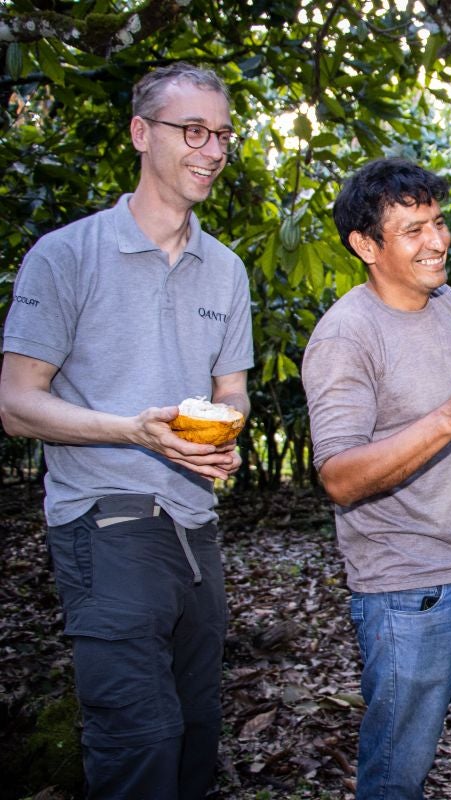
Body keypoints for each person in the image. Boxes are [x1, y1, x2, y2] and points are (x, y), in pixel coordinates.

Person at [0, 63, 251, 798]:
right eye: (193, 131)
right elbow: (16, 403)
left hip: (197, 529)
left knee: (198, 735)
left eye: (222, 135)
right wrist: (133, 431)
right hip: (106, 522)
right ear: (143, 134)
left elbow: (229, 390)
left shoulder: (226, 270)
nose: (211, 150)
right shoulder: (67, 255)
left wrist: (227, 434)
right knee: (140, 743)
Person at [301, 157, 451, 799]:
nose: (436, 242)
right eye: (413, 230)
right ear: (366, 245)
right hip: (408, 592)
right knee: (397, 773)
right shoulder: (345, 337)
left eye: (438, 222)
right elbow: (340, 477)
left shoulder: (445, 301)